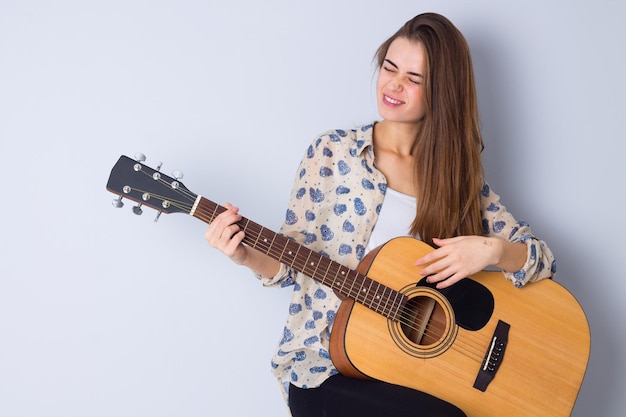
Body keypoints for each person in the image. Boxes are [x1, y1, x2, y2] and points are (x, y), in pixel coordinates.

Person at [204, 12, 556, 417]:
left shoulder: (457, 180)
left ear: (443, 92)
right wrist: (243, 254)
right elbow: (288, 262)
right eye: (389, 67)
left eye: (414, 78)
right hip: (325, 367)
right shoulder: (332, 153)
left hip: (409, 372)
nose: (394, 84)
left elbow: (540, 259)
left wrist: (492, 251)